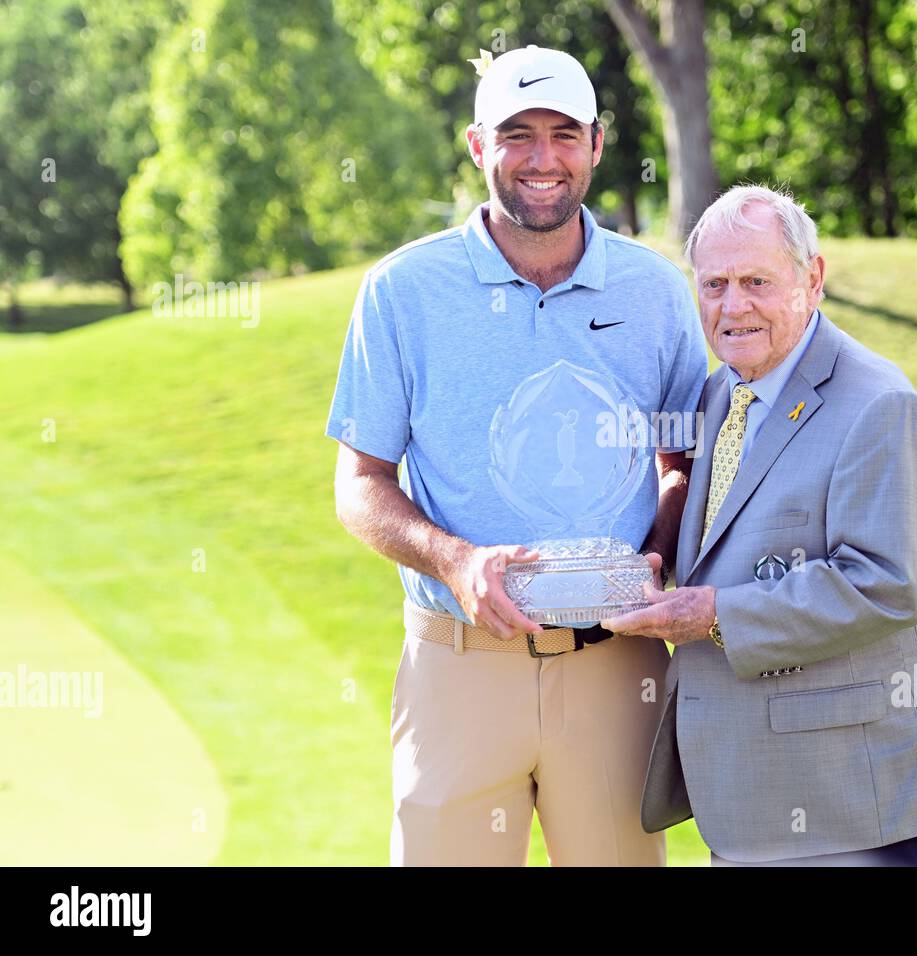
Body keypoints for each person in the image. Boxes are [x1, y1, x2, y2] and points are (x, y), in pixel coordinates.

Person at [326, 45, 708, 866]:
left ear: (598, 145)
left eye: (564, 134)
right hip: (457, 665)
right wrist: (455, 559)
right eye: (518, 134)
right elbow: (360, 483)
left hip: (618, 663)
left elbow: (682, 460)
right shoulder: (402, 290)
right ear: (477, 147)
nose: (543, 159)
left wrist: (662, 548)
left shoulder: (656, 292)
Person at [603, 185, 917, 866]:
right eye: (713, 284)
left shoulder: (878, 403)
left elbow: (888, 584)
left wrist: (712, 615)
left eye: (756, 282)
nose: (732, 306)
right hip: (753, 800)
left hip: (865, 804)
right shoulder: (720, 393)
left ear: (812, 279)